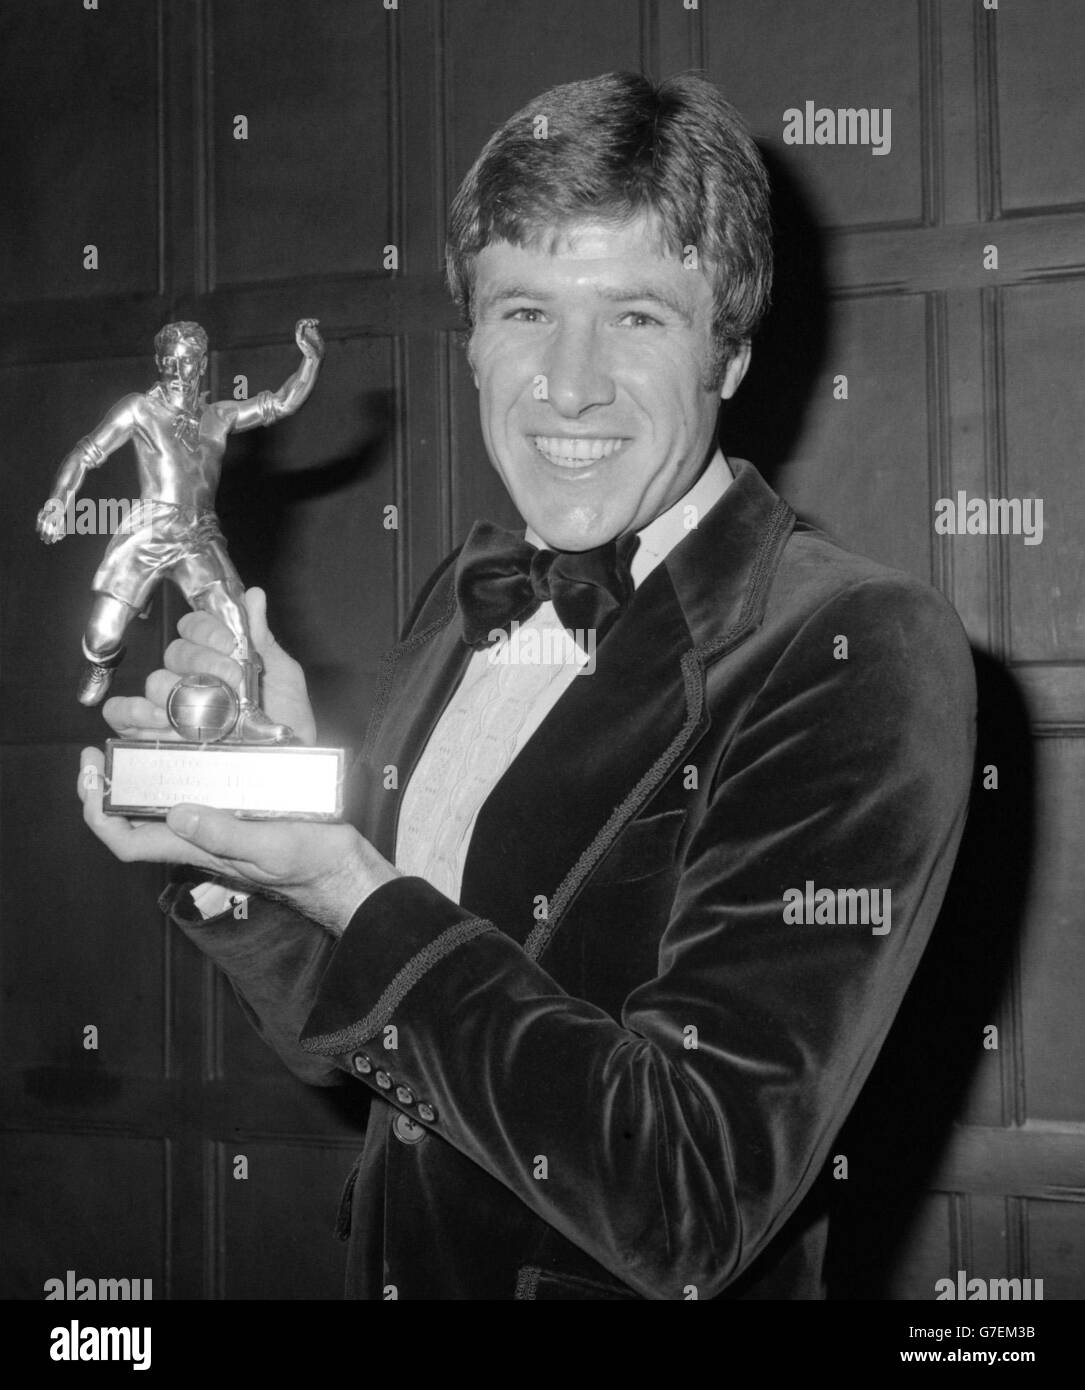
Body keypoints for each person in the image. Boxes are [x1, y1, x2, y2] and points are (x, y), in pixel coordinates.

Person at [78, 72, 976, 1299]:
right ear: (470, 339)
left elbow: (687, 1194)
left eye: (637, 318)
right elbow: (369, 1048)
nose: (567, 382)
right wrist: (253, 857)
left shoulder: (855, 648)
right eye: (522, 311)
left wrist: (355, 883)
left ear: (730, 354)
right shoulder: (464, 599)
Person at [38, 317, 324, 741]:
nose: (176, 370)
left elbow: (278, 404)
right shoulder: (139, 408)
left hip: (199, 534)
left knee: (236, 617)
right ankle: (102, 660)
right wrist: (60, 501)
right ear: (158, 362)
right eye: (168, 361)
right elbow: (86, 452)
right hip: (150, 530)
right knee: (100, 636)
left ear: (201, 364)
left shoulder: (219, 415)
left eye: (186, 361)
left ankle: (246, 711)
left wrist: (311, 359)